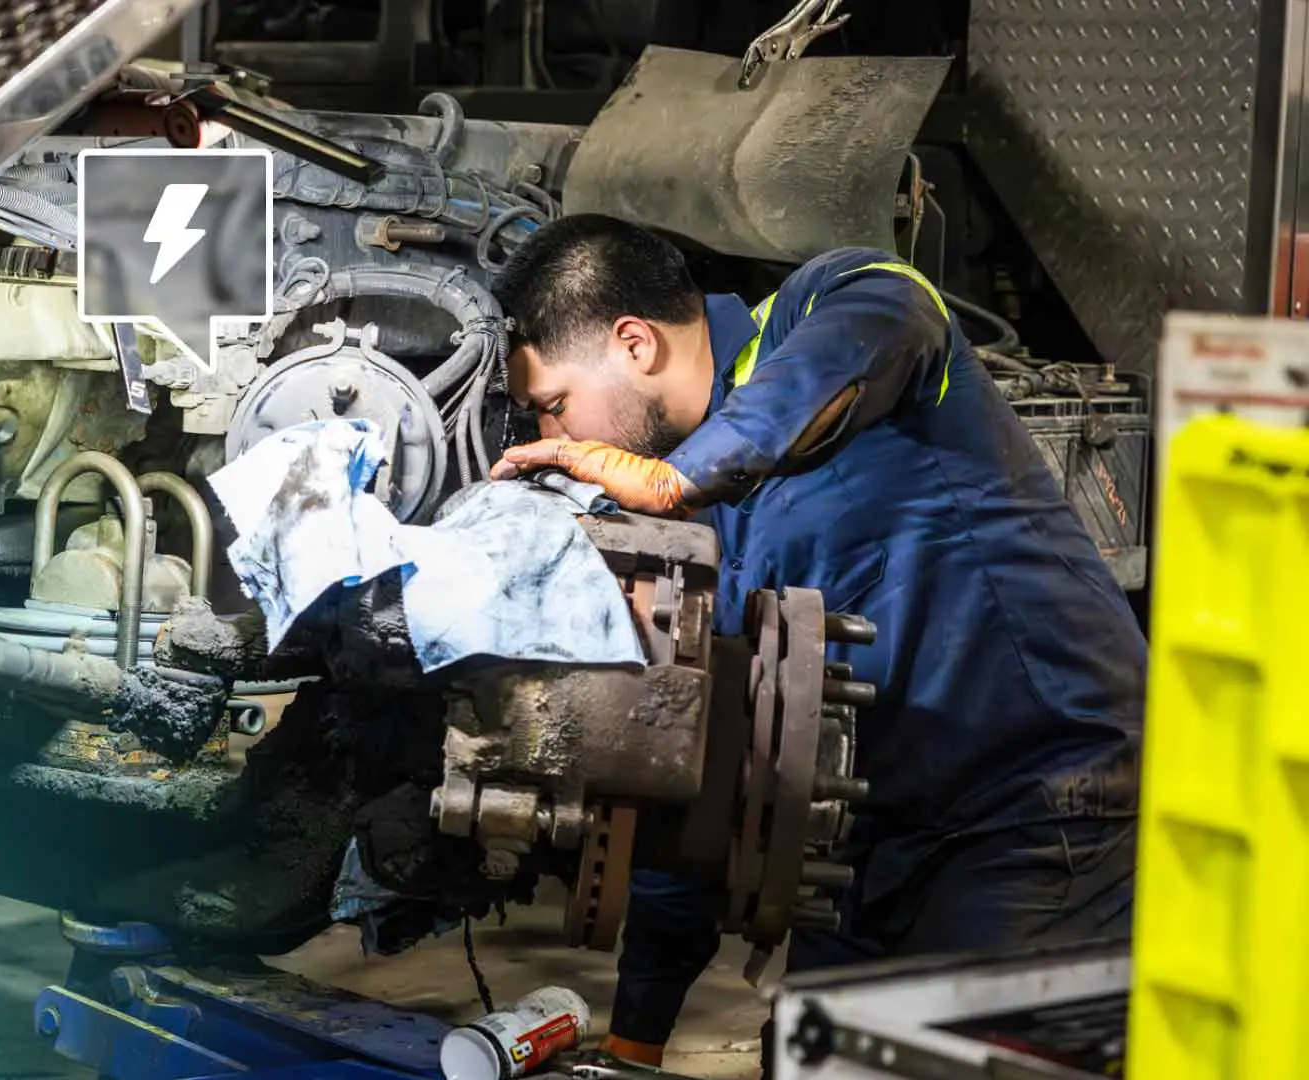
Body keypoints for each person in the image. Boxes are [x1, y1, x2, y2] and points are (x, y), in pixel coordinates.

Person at [487, 214, 1143, 1068]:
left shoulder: (832, 303)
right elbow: (697, 770)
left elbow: (897, 315)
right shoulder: (687, 518)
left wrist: (679, 477)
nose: (564, 441)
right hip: (874, 846)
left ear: (635, 344)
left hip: (1042, 805)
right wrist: (636, 1040)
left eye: (557, 407)